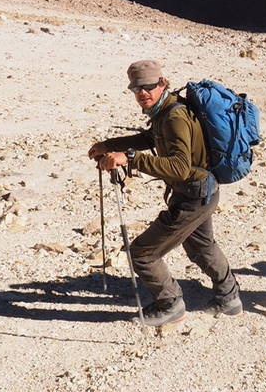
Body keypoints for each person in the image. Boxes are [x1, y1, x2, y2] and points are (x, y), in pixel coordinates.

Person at [87, 60, 240, 327]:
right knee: (201, 246)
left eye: (148, 86)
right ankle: (229, 298)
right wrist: (109, 145)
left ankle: (170, 305)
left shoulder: (174, 117)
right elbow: (151, 139)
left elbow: (179, 168)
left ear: (163, 83)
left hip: (193, 195)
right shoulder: (165, 111)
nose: (142, 93)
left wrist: (130, 159)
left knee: (143, 252)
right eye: (136, 88)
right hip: (201, 191)